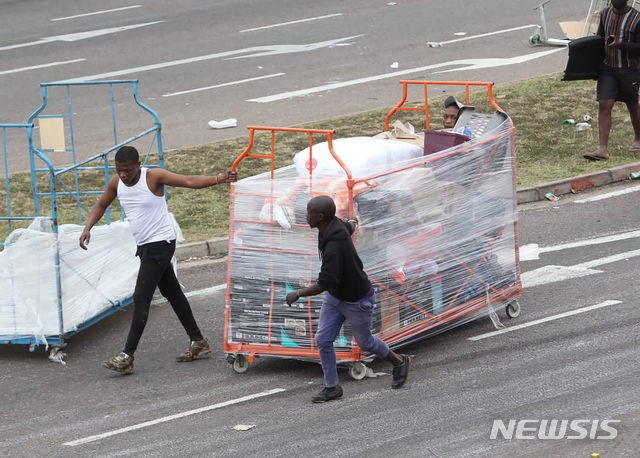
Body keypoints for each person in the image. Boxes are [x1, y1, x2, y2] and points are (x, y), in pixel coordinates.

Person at [79, 145, 238, 374]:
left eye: (127, 170)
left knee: (141, 297)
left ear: (137, 165)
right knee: (172, 292)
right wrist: (88, 228)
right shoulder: (116, 183)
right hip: (144, 246)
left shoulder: (153, 177)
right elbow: (102, 204)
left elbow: (189, 181)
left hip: (161, 243)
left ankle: (127, 355)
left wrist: (220, 178)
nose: (123, 175)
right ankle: (199, 342)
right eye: (118, 170)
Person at [286, 195, 410, 403]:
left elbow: (324, 283)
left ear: (320, 216)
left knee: (365, 342)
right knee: (323, 340)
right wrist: (354, 221)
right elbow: (348, 226)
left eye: (308, 212)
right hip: (336, 297)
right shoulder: (332, 227)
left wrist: (298, 293)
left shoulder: (334, 247)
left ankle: (398, 361)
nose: (305, 215)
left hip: (357, 300)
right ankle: (332, 387)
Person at [584, 0, 640, 161]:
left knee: (632, 103)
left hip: (629, 69)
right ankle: (603, 150)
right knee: (605, 103)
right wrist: (593, 67)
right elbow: (599, 39)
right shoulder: (605, 13)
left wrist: (620, 44)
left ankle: (638, 138)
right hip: (607, 67)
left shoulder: (637, 18)